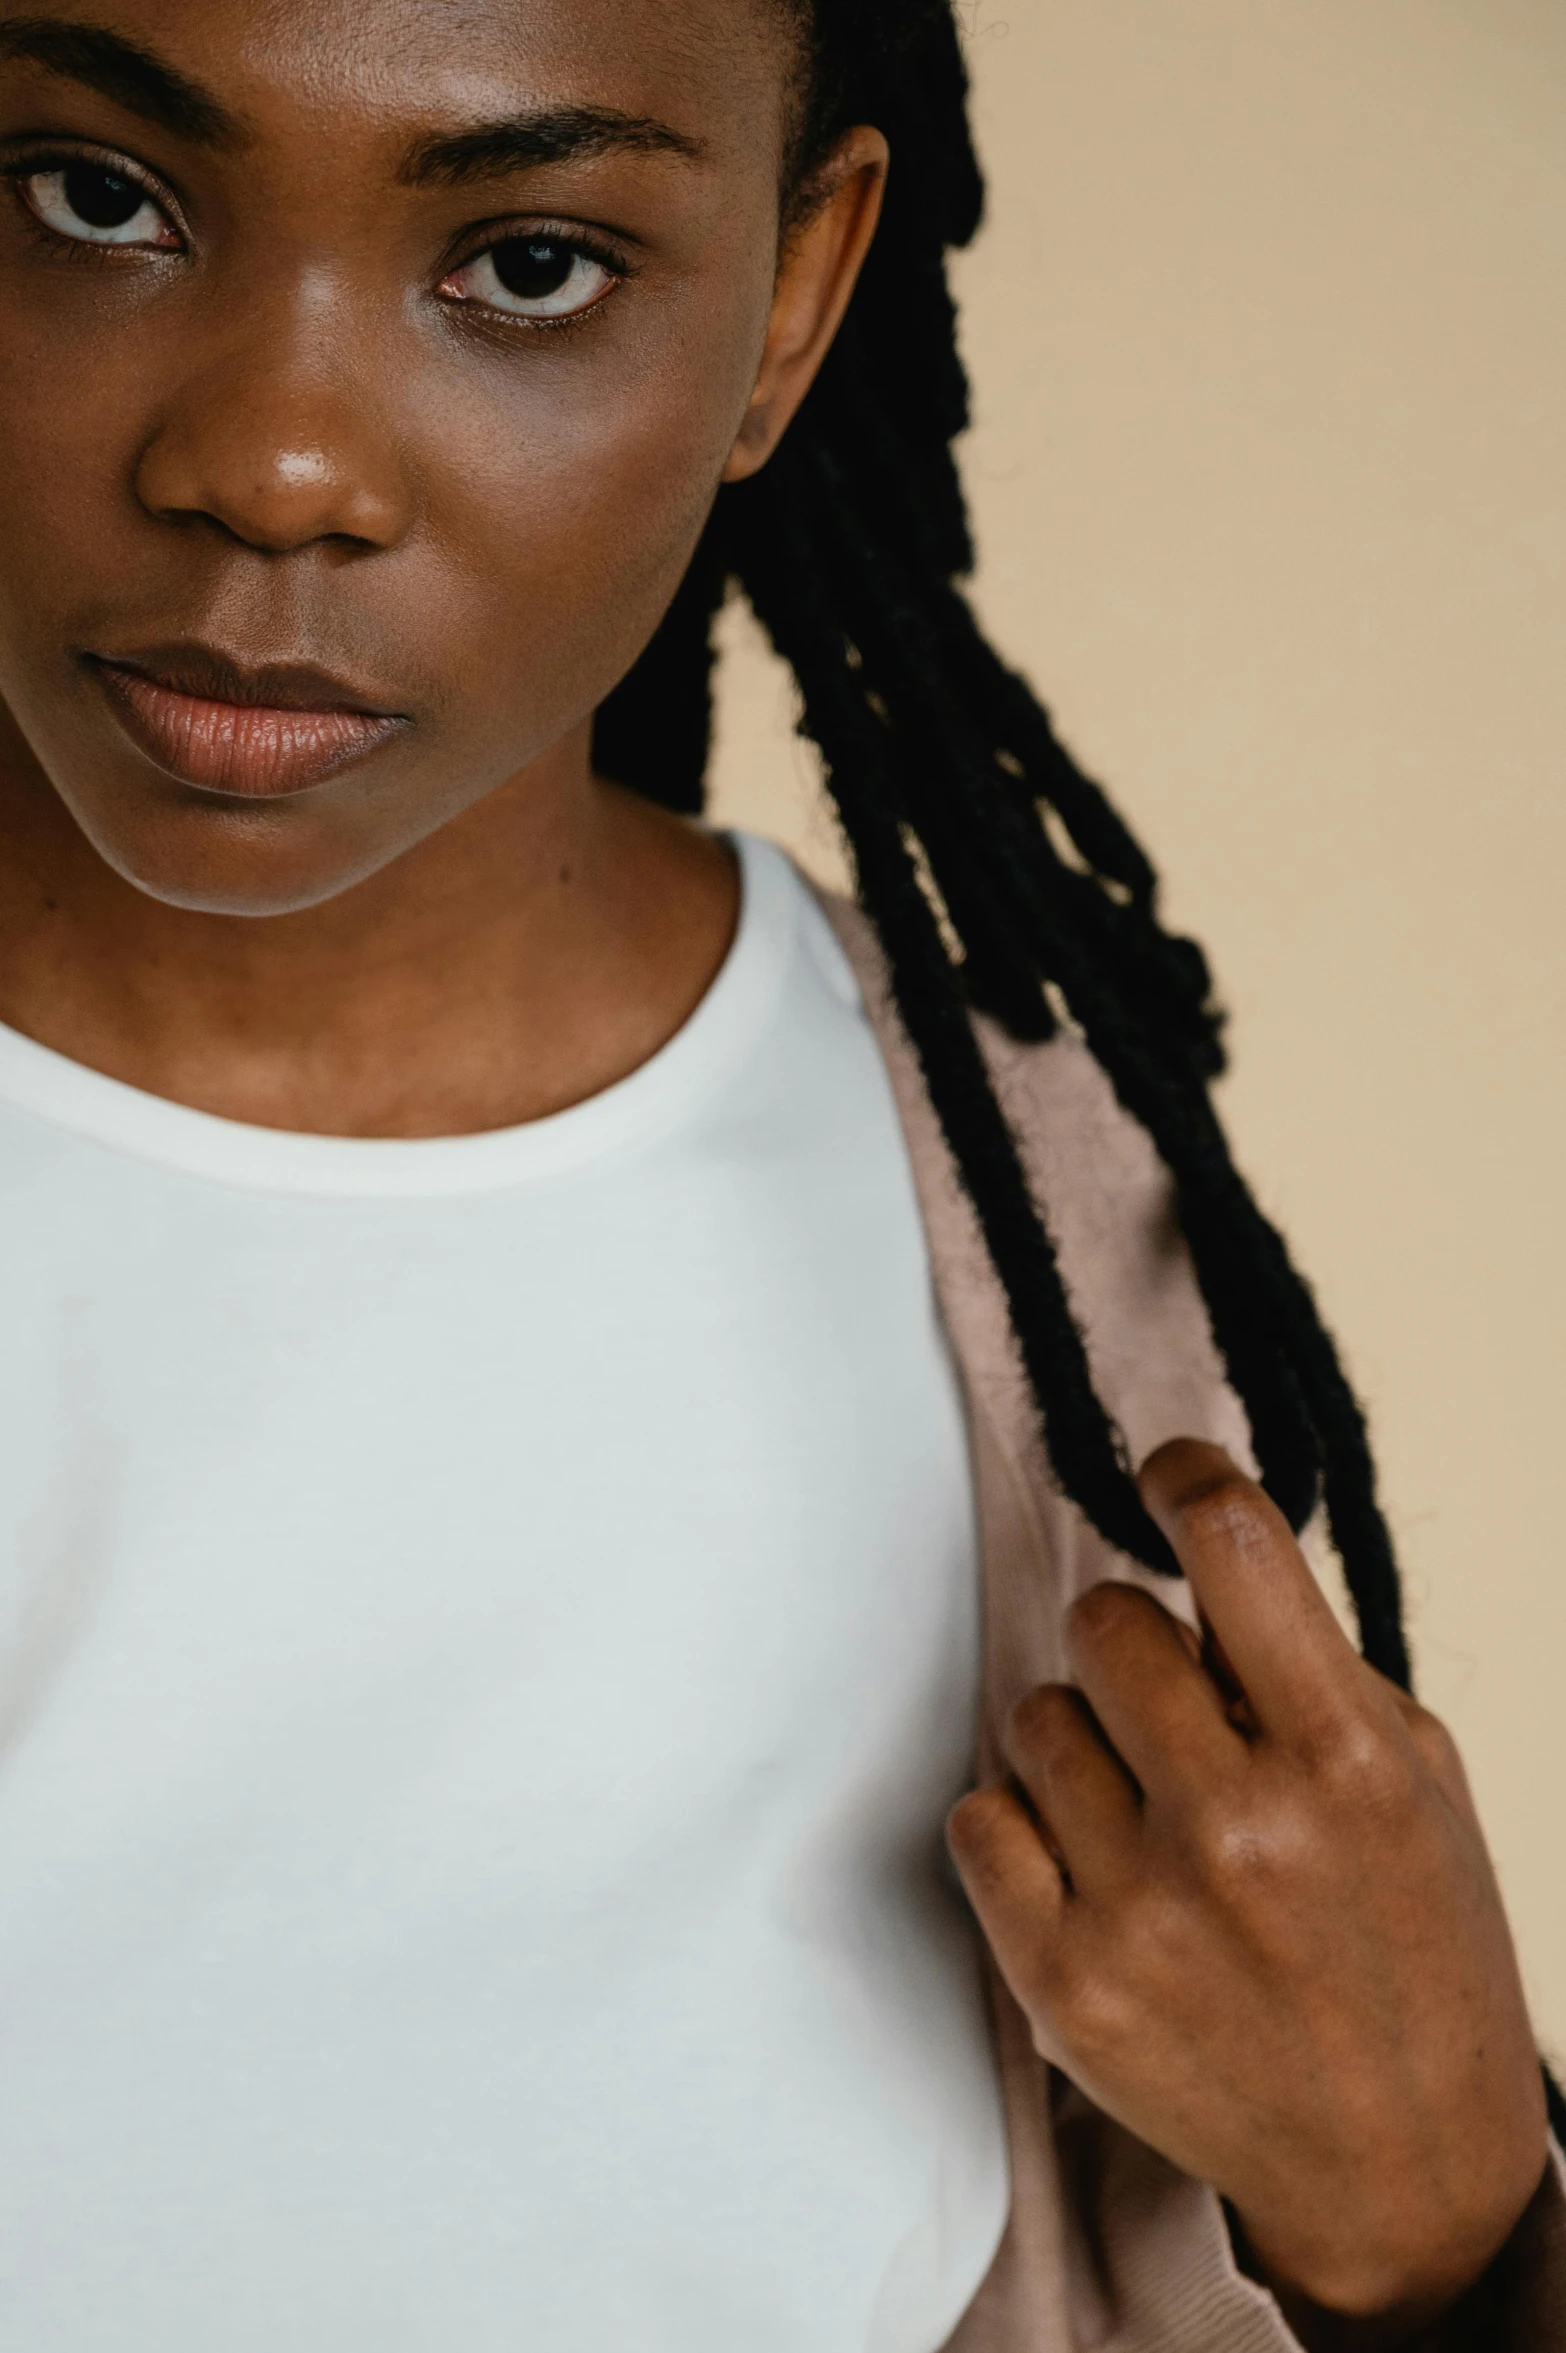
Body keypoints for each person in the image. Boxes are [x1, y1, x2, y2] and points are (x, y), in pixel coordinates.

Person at [0, 0, 1557, 2345]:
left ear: (794, 305)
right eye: (92, 196)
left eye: (528, 261)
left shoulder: (1027, 1234)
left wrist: (1447, 2242)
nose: (279, 460)